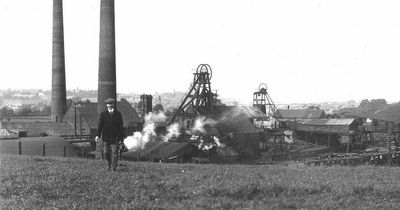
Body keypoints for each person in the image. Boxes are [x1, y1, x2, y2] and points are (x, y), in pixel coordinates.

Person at [95, 98, 124, 171]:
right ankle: (108, 164)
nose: (110, 105)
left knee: (115, 153)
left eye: (111, 104)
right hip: (106, 136)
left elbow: (121, 126)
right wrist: (97, 135)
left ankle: (113, 168)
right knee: (106, 153)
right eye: (108, 104)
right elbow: (100, 125)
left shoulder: (118, 114)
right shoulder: (103, 114)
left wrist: (121, 137)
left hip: (115, 137)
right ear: (106, 105)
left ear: (113, 104)